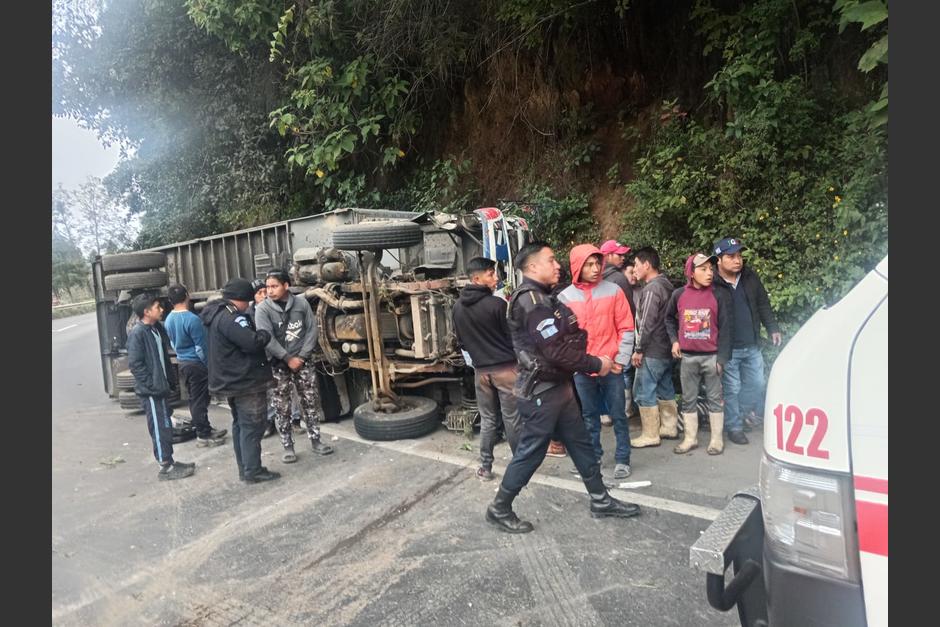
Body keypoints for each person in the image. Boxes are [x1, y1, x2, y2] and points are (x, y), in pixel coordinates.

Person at [485, 242, 640, 534]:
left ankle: (600, 499)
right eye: (551, 260)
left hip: (559, 387)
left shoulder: (545, 298)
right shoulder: (532, 301)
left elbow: (569, 338)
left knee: (580, 443)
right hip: (542, 391)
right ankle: (500, 507)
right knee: (531, 451)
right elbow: (557, 351)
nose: (558, 265)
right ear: (532, 267)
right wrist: (597, 364)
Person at [558, 244, 635, 479]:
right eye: (588, 264)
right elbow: (565, 336)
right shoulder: (565, 297)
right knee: (589, 417)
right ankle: (593, 457)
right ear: (577, 267)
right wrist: (575, 363)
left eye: (597, 263)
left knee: (618, 414)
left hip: (611, 365)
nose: (594, 269)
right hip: (583, 368)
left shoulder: (613, 290)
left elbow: (627, 327)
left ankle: (623, 459)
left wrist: (620, 360)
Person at [200, 278, 281, 483]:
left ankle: (245, 468)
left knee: (240, 425)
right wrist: (263, 334)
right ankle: (253, 471)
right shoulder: (233, 317)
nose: (250, 304)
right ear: (242, 298)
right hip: (246, 381)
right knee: (252, 426)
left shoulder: (216, 314)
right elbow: (252, 343)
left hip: (231, 381)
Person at [452, 257, 521, 481]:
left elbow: (461, 342)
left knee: (488, 420)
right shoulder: (497, 305)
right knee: (511, 418)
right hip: (506, 371)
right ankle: (520, 465)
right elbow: (512, 337)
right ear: (476, 278)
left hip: (481, 372)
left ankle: (485, 466)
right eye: (491, 274)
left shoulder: (457, 308)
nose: (496, 278)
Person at [255, 270, 334, 463]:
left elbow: (312, 329)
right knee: (282, 407)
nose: (270, 291)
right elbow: (266, 338)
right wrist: (287, 358)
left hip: (303, 361)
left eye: (274, 286)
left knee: (310, 401)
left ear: (286, 286)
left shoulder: (301, 303)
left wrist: (302, 356)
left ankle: (316, 440)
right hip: (279, 364)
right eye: (268, 287)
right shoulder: (263, 309)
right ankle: (288, 446)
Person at [711, 237, 782, 444]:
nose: (737, 260)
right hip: (729, 348)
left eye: (739, 256)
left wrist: (772, 328)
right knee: (731, 388)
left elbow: (763, 304)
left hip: (752, 344)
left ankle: (739, 415)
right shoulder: (713, 284)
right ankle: (734, 426)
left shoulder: (750, 277)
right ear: (719, 260)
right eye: (731, 256)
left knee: (757, 383)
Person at [666, 253, 733, 454]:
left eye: (711, 269)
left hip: (712, 357)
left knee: (714, 398)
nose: (709, 273)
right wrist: (674, 341)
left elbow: (726, 329)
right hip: (687, 357)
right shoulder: (679, 295)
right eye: (703, 269)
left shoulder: (718, 295)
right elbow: (668, 319)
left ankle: (716, 440)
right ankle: (690, 438)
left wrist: (722, 359)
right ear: (691, 273)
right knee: (688, 399)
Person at [127, 293, 195, 481]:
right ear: (147, 312)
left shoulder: (155, 329)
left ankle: (170, 460)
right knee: (158, 428)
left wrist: (168, 382)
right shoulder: (138, 333)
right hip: (152, 392)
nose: (161, 309)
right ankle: (165, 467)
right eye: (157, 307)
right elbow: (135, 365)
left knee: (165, 427)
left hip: (160, 388)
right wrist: (152, 385)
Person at [630, 246, 681, 447]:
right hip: (666, 348)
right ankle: (669, 427)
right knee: (665, 386)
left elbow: (646, 323)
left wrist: (638, 349)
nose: (634, 269)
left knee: (644, 390)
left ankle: (650, 434)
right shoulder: (667, 285)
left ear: (647, 265)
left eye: (636, 264)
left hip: (652, 349)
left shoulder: (652, 289)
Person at [164, 284, 227, 447]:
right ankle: (203, 435)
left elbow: (172, 342)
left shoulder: (169, 319)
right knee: (200, 400)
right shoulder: (193, 319)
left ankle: (205, 428)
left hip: (183, 363)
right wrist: (209, 366)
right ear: (187, 296)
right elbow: (201, 348)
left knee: (195, 399)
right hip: (197, 364)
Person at [248, 278, 299, 438]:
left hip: (282, 355)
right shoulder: (249, 314)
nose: (264, 295)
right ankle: (269, 422)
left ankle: (295, 420)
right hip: (263, 358)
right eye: (260, 292)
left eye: (266, 291)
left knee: (291, 389)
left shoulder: (276, 309)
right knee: (268, 392)